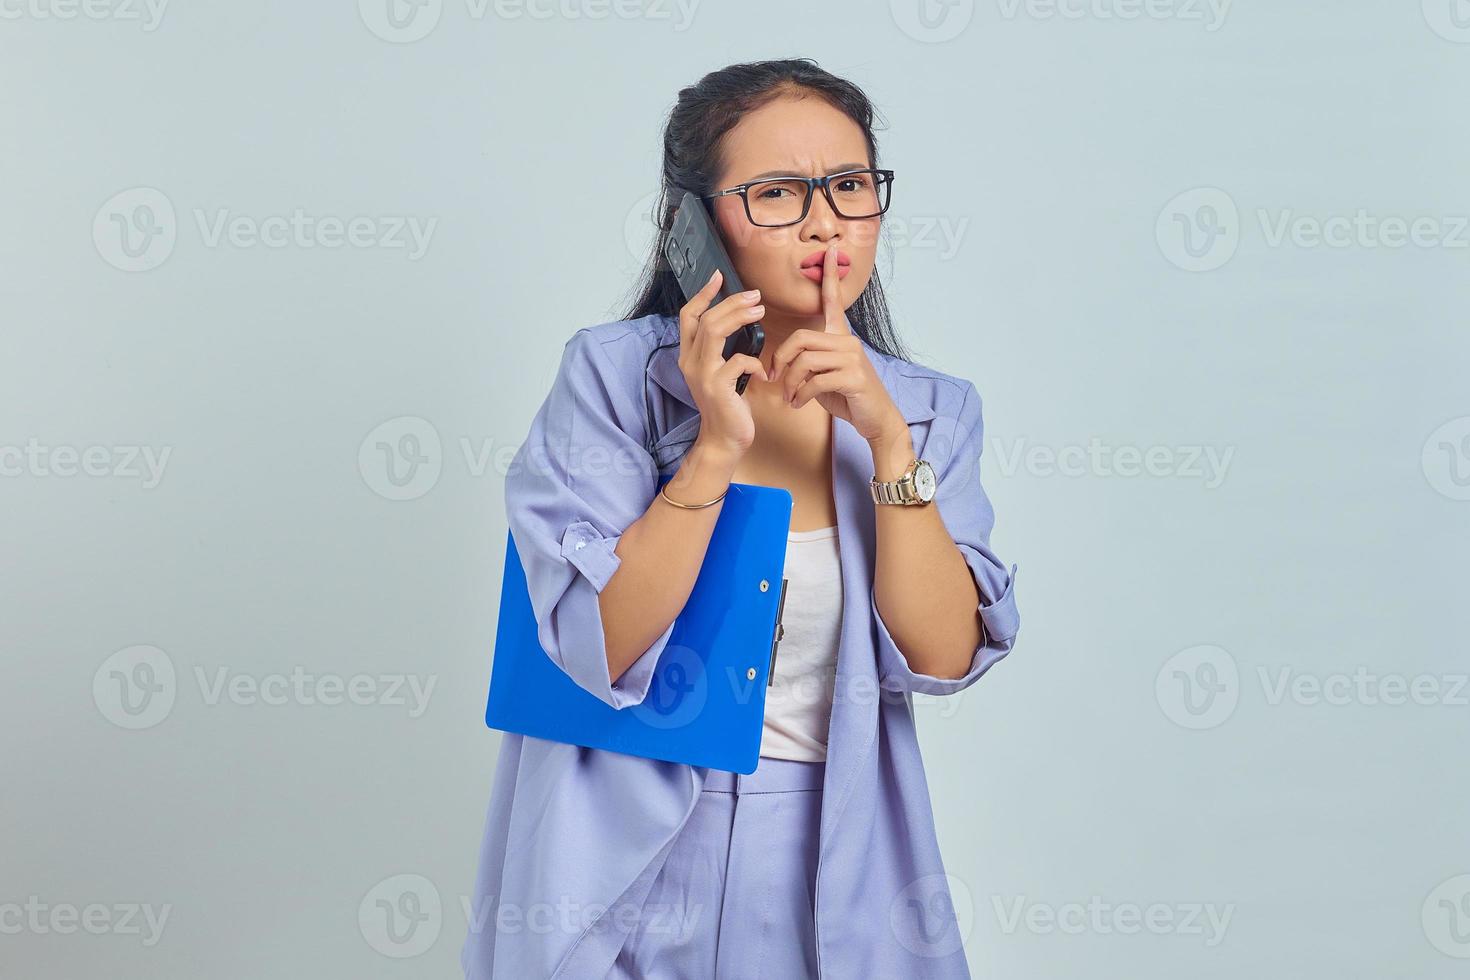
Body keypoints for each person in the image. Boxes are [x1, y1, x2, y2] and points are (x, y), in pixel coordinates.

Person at [463, 57, 1020, 979]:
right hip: (623, 844)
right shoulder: (614, 380)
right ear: (697, 227)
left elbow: (943, 656)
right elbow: (594, 641)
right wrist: (714, 448)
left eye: (848, 187)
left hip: (832, 848)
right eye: (776, 194)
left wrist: (886, 442)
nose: (823, 222)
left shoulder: (928, 411)